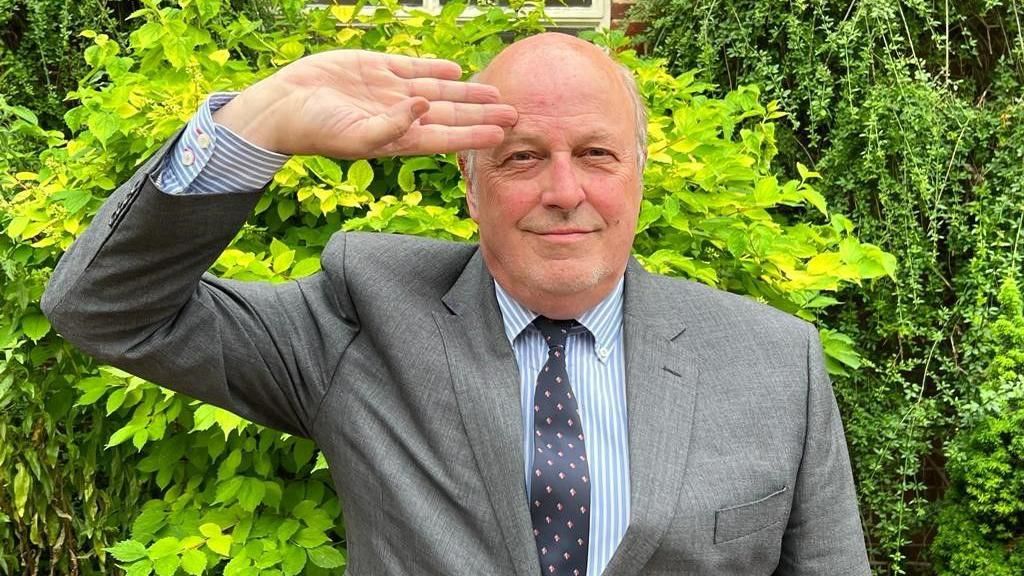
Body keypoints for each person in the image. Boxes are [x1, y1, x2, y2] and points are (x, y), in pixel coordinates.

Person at [42, 33, 870, 575]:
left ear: (639, 179)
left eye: (596, 154)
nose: (563, 191)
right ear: (470, 190)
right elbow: (106, 309)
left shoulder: (775, 362)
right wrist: (256, 124)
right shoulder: (360, 323)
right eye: (519, 158)